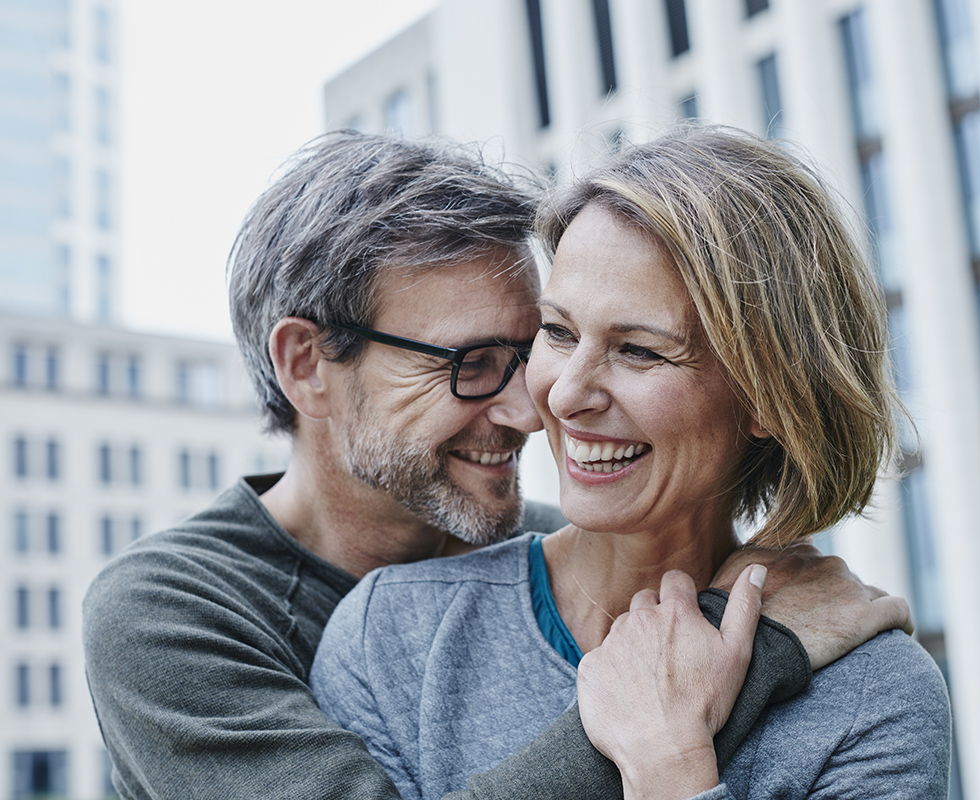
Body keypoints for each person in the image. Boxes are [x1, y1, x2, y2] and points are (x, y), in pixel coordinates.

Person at [82, 131, 914, 800]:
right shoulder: (167, 615)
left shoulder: (570, 540)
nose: (533, 406)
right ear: (307, 365)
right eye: (471, 362)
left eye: (529, 347)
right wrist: (740, 666)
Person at [311, 125, 952, 799]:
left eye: (639, 350)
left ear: (769, 395)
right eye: (557, 332)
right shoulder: (394, 639)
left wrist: (670, 767)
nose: (562, 395)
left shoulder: (871, 696)